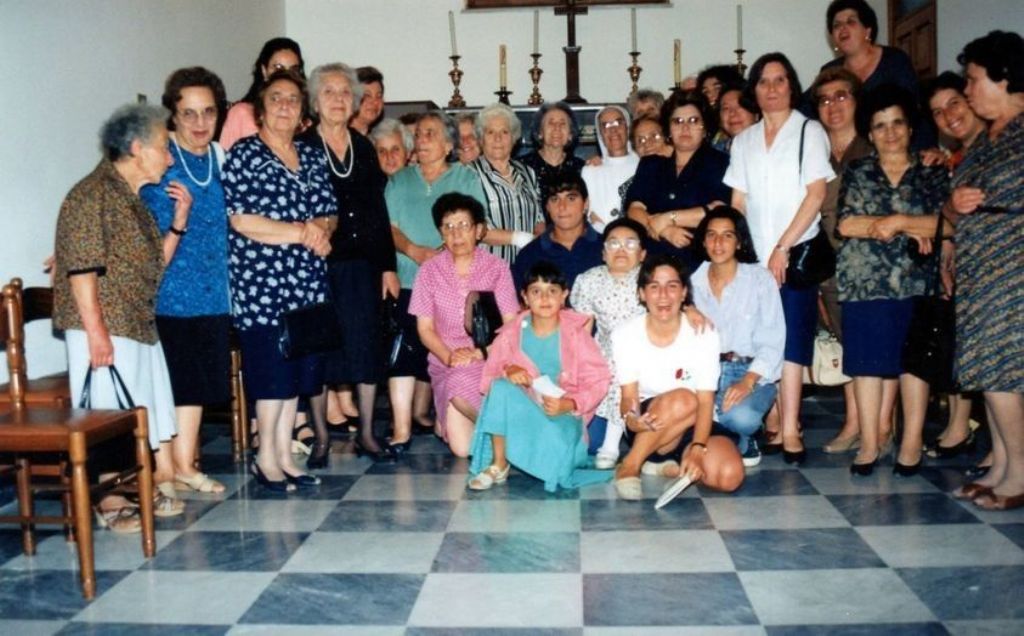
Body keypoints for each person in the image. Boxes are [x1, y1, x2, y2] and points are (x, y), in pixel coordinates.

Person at [54, 103, 186, 528]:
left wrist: (179, 224)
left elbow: (154, 265)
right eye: (164, 147)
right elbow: (81, 269)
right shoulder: (92, 194)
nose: (169, 156)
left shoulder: (129, 199)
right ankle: (110, 502)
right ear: (135, 147)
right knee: (106, 414)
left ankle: (132, 488)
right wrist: (96, 332)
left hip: (135, 323)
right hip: (107, 325)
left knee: (132, 412)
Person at [222, 69, 336, 491]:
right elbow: (241, 219)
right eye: (276, 98)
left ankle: (286, 455)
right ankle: (265, 458)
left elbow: (328, 210)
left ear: (303, 109)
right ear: (260, 109)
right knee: (272, 374)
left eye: (293, 99)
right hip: (263, 284)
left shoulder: (310, 155)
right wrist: (302, 233)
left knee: (297, 375)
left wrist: (321, 229)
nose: (286, 105)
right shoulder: (245, 155)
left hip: (306, 283)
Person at [724, 53, 836, 464]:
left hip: (794, 254)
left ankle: (791, 429)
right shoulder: (744, 139)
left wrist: (783, 247)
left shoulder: (809, 130)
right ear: (753, 90)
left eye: (780, 80)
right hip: (756, 261)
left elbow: (816, 194)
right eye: (764, 81)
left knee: (791, 346)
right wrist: (739, 255)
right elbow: (738, 201)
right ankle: (772, 421)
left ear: (792, 85)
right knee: (760, 341)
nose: (772, 89)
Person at [836, 84, 949, 476]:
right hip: (864, 283)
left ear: (910, 127)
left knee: (913, 367)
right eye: (880, 125)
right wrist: (902, 226)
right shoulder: (858, 170)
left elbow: (946, 223)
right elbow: (846, 224)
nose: (890, 132)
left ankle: (911, 444)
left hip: (918, 282)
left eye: (897, 123)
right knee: (867, 365)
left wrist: (897, 223)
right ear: (870, 132)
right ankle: (869, 444)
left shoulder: (933, 169)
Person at [299, 63, 399, 465]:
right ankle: (321, 436)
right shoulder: (302, 145)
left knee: (365, 347)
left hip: (361, 266)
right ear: (315, 100)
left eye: (345, 92)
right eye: (329, 92)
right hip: (317, 264)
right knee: (320, 349)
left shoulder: (363, 146)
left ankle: (368, 435)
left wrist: (387, 266)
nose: (339, 99)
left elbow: (377, 211)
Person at [140, 67, 231, 494]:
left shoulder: (220, 157)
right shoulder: (161, 158)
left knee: (196, 384)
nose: (199, 123)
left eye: (208, 112)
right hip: (168, 292)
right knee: (170, 382)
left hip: (214, 292)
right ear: (173, 116)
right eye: (189, 113)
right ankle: (164, 468)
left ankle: (185, 464)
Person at [945, 31, 1024, 510]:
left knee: (1004, 375)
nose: (968, 91)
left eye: (974, 81)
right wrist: (953, 205)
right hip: (979, 274)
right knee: (987, 373)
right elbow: (952, 209)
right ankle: (1000, 465)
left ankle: (1020, 473)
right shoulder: (981, 139)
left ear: (1006, 78)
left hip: (1012, 273)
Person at [387, 111, 487, 449]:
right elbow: (389, 227)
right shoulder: (400, 180)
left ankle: (444, 415)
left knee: (444, 348)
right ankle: (401, 431)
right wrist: (414, 251)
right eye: (419, 134)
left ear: (448, 144)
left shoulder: (465, 177)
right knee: (403, 352)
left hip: (453, 279)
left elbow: (473, 224)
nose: (422, 139)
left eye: (430, 133)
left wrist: (443, 255)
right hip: (406, 277)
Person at [468, 262, 612, 492]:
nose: (545, 298)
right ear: (524, 297)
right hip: (524, 409)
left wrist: (571, 403)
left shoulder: (576, 334)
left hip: (561, 414)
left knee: (557, 463)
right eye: (536, 291)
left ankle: (548, 455)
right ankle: (499, 463)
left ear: (564, 295)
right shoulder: (510, 334)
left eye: (552, 291)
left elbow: (599, 380)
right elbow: (488, 380)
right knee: (501, 387)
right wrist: (509, 370)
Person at [610, 254, 743, 500]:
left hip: (696, 422)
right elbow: (628, 397)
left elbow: (705, 401)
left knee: (729, 476)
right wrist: (632, 420)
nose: (663, 296)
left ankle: (668, 462)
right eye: (654, 287)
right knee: (684, 398)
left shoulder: (703, 333)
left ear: (684, 293)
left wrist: (697, 448)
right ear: (641, 294)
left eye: (672, 286)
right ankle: (631, 464)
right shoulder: (625, 334)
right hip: (650, 422)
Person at [409, 193, 520, 457]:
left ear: (479, 230)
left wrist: (480, 353)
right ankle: (499, 433)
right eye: (448, 227)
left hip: (489, 356)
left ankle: (505, 440)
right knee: (462, 450)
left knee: (462, 438)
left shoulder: (497, 268)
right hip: (445, 359)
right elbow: (424, 329)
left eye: (464, 225)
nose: (456, 234)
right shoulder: (429, 270)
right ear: (440, 233)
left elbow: (511, 325)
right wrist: (450, 356)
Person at [921, 71, 987, 463]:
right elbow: (953, 214)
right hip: (968, 266)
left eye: (954, 104)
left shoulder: (997, 146)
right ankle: (961, 428)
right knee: (965, 347)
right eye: (938, 112)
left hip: (1000, 270)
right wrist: (947, 247)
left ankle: (1002, 451)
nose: (948, 115)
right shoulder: (958, 157)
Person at [809, 66, 874, 455]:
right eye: (825, 99)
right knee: (844, 343)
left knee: (873, 348)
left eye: (841, 96)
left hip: (869, 264)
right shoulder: (816, 150)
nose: (833, 106)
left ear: (856, 101)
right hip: (828, 263)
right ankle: (854, 422)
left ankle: (879, 427)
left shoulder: (871, 146)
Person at [690, 207, 785, 467]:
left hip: (749, 371)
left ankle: (737, 434)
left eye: (727, 235)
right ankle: (735, 442)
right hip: (705, 371)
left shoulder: (760, 279)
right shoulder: (690, 282)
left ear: (739, 241)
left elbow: (773, 340)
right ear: (703, 240)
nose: (718, 243)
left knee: (739, 418)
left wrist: (748, 381)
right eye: (711, 235)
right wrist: (686, 306)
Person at [570, 218, 650, 469]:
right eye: (613, 244)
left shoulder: (651, 279)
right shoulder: (589, 279)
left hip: (646, 355)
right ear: (604, 253)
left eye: (630, 243)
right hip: (602, 354)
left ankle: (613, 445)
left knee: (623, 366)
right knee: (588, 443)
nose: (621, 249)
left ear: (642, 253)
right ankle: (608, 434)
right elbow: (583, 330)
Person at [626, 90, 731, 269]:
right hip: (654, 261)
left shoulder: (719, 162)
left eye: (693, 121)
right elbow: (634, 210)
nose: (684, 128)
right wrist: (665, 230)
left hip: (702, 263)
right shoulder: (651, 164)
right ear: (668, 129)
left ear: (704, 128)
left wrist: (669, 218)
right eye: (677, 121)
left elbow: (718, 210)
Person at [470, 103, 544, 264]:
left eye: (504, 132)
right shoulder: (468, 174)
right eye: (490, 132)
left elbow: (539, 218)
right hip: (487, 270)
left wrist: (541, 242)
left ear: (514, 138)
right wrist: (522, 238)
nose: (498, 138)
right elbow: (473, 228)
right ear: (481, 139)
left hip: (527, 267)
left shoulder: (528, 172)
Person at [512, 174, 604, 293]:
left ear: (585, 204)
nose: (562, 206)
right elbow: (520, 304)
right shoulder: (529, 255)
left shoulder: (605, 247)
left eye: (571, 198)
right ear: (547, 207)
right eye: (555, 199)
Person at [220, 37, 304, 150]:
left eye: (293, 70)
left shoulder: (303, 117)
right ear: (264, 70)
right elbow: (224, 160)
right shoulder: (241, 113)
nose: (286, 75)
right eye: (278, 68)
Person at [520, 102, 585, 215]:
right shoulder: (521, 167)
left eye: (562, 124)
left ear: (570, 134)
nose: (557, 128)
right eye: (551, 123)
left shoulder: (582, 168)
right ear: (540, 132)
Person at [581, 106, 640, 232]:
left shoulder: (643, 165)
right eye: (606, 125)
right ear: (600, 134)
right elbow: (590, 216)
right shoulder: (590, 171)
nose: (613, 129)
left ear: (628, 128)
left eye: (618, 122)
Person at [714, 83, 759, 153]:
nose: (732, 113)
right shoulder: (716, 152)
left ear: (756, 114)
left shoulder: (771, 146)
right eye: (726, 108)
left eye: (740, 106)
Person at [351, 66, 385, 136]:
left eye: (379, 96)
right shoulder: (335, 141)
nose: (375, 102)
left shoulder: (376, 142)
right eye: (367, 95)